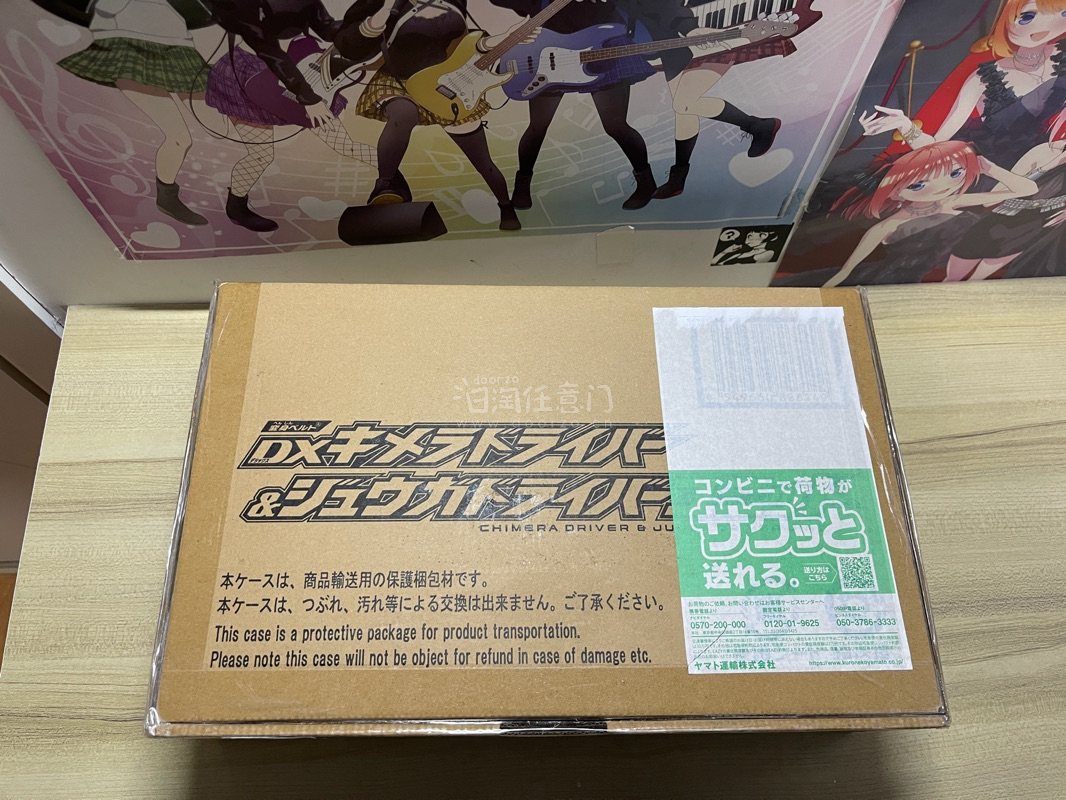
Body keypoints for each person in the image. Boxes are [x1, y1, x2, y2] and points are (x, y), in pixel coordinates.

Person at [335, 0, 521, 230]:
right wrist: (383, 11)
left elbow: (467, 45)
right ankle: (385, 184)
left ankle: (506, 205)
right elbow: (348, 45)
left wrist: (506, 36)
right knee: (404, 113)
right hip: (401, 81)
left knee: (483, 160)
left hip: (447, 85)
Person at [203, 0, 377, 232]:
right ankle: (236, 206)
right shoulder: (247, 7)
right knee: (261, 155)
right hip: (251, 74)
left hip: (301, 62)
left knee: (345, 144)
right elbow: (273, 55)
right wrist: (309, 99)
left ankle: (391, 175)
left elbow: (328, 29)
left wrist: (366, 24)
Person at [54, 0, 215, 225]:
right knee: (180, 138)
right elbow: (106, 8)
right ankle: (167, 196)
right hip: (130, 46)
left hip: (178, 49)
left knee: (216, 122)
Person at [488, 0, 660, 210]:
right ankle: (522, 185)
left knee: (615, 125)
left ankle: (646, 182)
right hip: (549, 58)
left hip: (602, 48)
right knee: (537, 127)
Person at [859, 0, 1066, 171]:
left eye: (1063, 14)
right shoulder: (984, 79)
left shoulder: (1060, 53)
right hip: (990, 168)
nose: (1043, 29)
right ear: (1007, 19)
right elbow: (937, 145)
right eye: (1027, 17)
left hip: (1045, 158)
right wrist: (904, 125)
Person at [823, 141, 1037, 287]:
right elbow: (845, 272)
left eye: (955, 173)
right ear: (895, 193)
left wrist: (991, 169)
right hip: (899, 285)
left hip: (946, 280)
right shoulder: (886, 227)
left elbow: (1027, 189)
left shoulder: (951, 201)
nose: (941, 187)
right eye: (917, 185)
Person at [647, 3, 790, 199]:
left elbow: (666, 7)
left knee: (683, 104)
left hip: (705, 38)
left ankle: (757, 125)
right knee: (683, 110)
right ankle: (678, 178)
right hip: (671, 52)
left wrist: (690, 28)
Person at [946, 106, 1066, 280]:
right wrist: (1047, 167)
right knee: (952, 278)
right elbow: (996, 195)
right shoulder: (1047, 151)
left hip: (1034, 228)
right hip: (1000, 219)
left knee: (978, 280)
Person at [711, 229, 779, 264]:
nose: (752, 237)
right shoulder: (741, 252)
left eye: (762, 235)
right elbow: (714, 263)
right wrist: (724, 252)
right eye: (750, 234)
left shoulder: (768, 253)